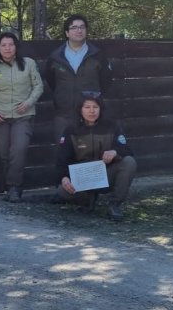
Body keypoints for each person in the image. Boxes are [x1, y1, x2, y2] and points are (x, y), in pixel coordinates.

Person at [0, 32, 43, 203]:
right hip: (0, 118)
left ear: (16, 47)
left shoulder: (29, 64)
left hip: (23, 116)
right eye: (4, 45)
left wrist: (28, 103)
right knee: (4, 154)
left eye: (11, 44)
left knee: (19, 149)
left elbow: (38, 86)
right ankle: (10, 187)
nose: (7, 48)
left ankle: (14, 187)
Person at [56, 93, 137, 221]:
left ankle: (115, 204)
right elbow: (62, 159)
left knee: (129, 162)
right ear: (80, 109)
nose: (92, 111)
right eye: (87, 107)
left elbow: (127, 150)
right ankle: (87, 200)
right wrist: (64, 178)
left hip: (106, 174)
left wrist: (115, 152)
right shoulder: (71, 130)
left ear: (101, 109)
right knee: (62, 191)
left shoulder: (112, 126)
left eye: (95, 107)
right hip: (83, 177)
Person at [44, 14, 112, 140]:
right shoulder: (55, 57)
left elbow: (106, 81)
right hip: (64, 114)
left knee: (91, 154)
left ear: (86, 30)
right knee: (64, 154)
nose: (79, 30)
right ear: (67, 33)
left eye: (82, 27)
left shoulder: (97, 55)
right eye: (74, 27)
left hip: (91, 115)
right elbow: (51, 81)